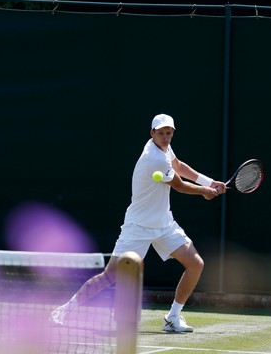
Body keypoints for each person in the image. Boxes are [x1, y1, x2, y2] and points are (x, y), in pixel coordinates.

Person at [50, 113, 226, 333]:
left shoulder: (164, 148)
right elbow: (179, 185)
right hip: (138, 227)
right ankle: (66, 310)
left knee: (195, 264)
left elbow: (179, 165)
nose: (165, 136)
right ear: (152, 133)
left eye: (168, 132)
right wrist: (205, 192)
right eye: (160, 133)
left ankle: (173, 317)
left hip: (164, 224)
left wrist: (210, 182)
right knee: (110, 275)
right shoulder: (154, 158)